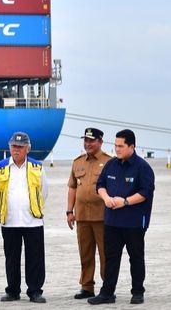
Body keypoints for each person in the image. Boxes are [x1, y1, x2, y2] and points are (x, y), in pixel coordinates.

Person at [89, 129, 155, 305]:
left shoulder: (143, 168)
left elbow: (145, 192)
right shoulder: (111, 165)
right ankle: (107, 293)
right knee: (111, 257)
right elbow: (100, 185)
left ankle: (138, 291)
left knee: (136, 257)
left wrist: (125, 202)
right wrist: (106, 198)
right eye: (115, 145)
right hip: (112, 221)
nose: (117, 149)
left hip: (134, 222)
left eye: (120, 146)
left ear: (131, 146)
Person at [0, 131, 49, 304]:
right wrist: (2, 207)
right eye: (14, 146)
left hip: (33, 220)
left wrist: (32, 206)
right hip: (9, 220)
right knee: (12, 257)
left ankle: (35, 291)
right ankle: (13, 290)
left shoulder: (37, 167)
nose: (16, 150)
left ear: (27, 149)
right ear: (9, 147)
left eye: (20, 147)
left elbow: (44, 191)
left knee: (35, 257)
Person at [67, 127, 111, 300]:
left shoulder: (109, 162)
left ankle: (107, 287)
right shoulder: (77, 162)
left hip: (103, 217)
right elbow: (72, 187)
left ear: (100, 142)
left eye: (92, 141)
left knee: (105, 254)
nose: (88, 144)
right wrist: (69, 211)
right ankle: (87, 287)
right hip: (83, 217)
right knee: (85, 253)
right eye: (85, 140)